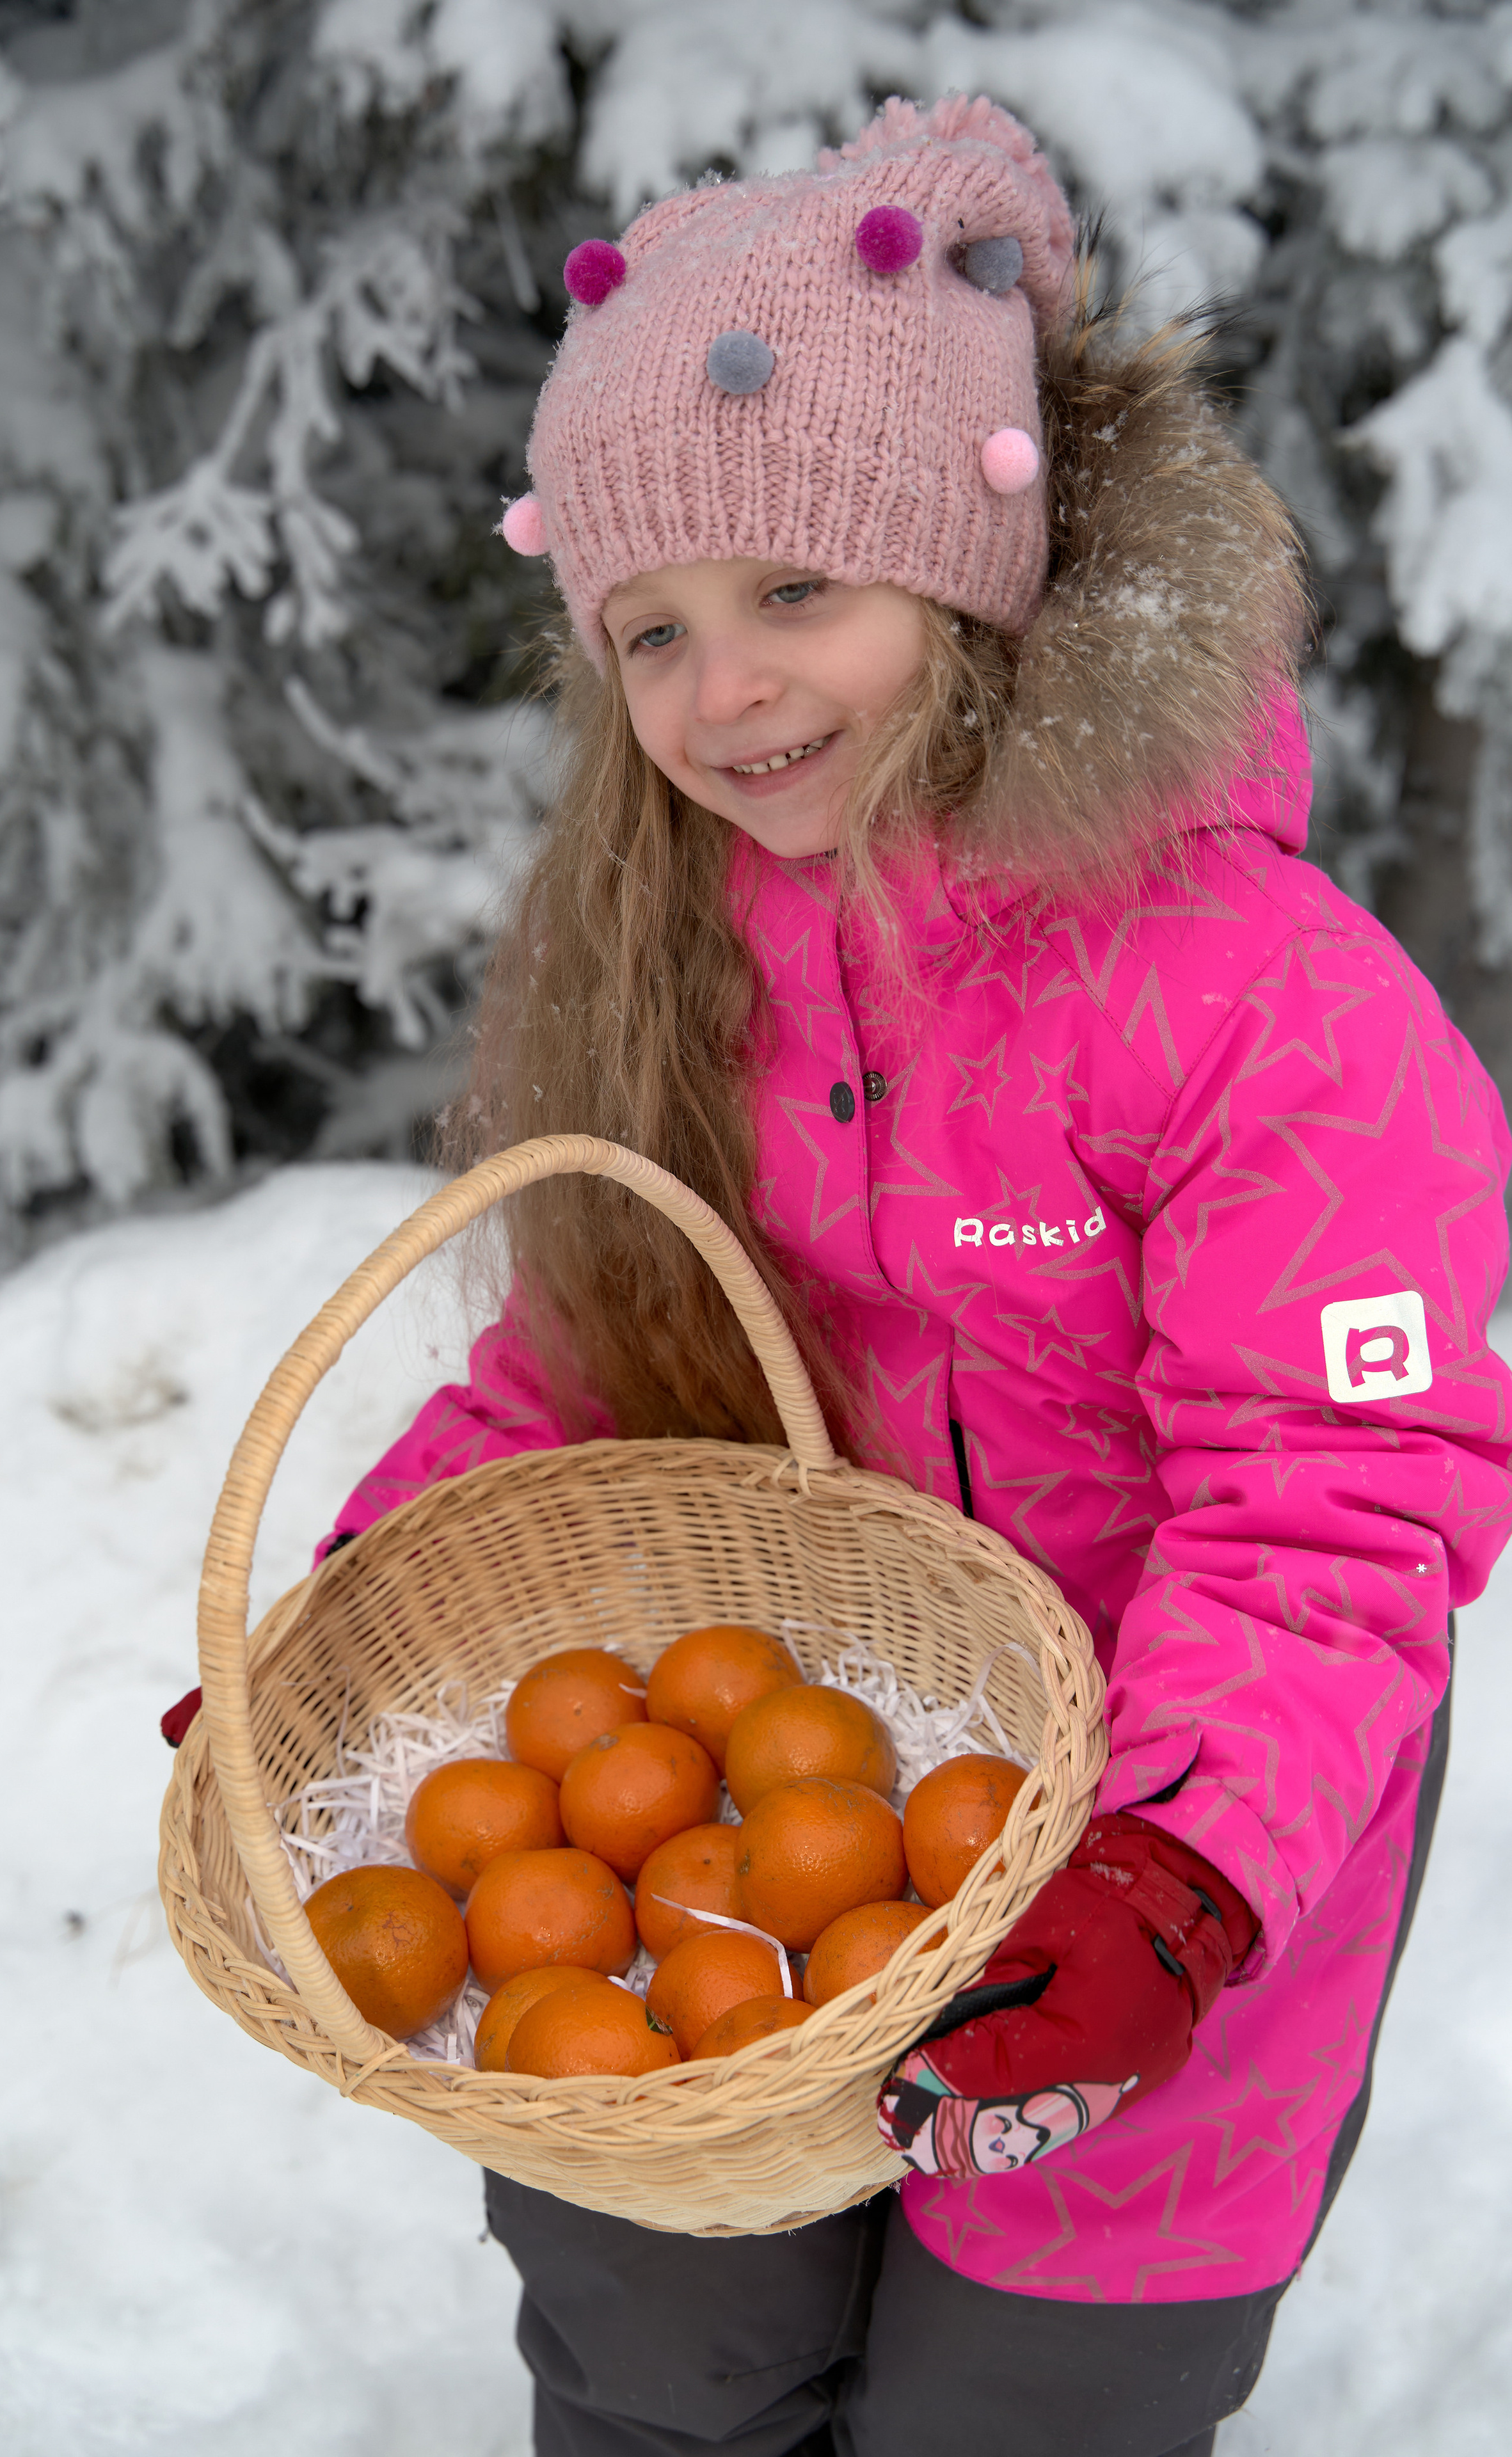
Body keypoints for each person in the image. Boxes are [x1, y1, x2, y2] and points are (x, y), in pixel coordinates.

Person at [316, 93, 1512, 2457]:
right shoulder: (672, 953)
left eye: (793, 595)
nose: (722, 693)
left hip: (1174, 1873)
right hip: (749, 1829)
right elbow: (599, 1359)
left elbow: (1339, 1510)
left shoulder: (1265, 996)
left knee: (1031, 2403)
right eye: (649, 629)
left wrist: (1175, 1873)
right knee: (672, 2359)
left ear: (965, 577)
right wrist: (371, 1603)